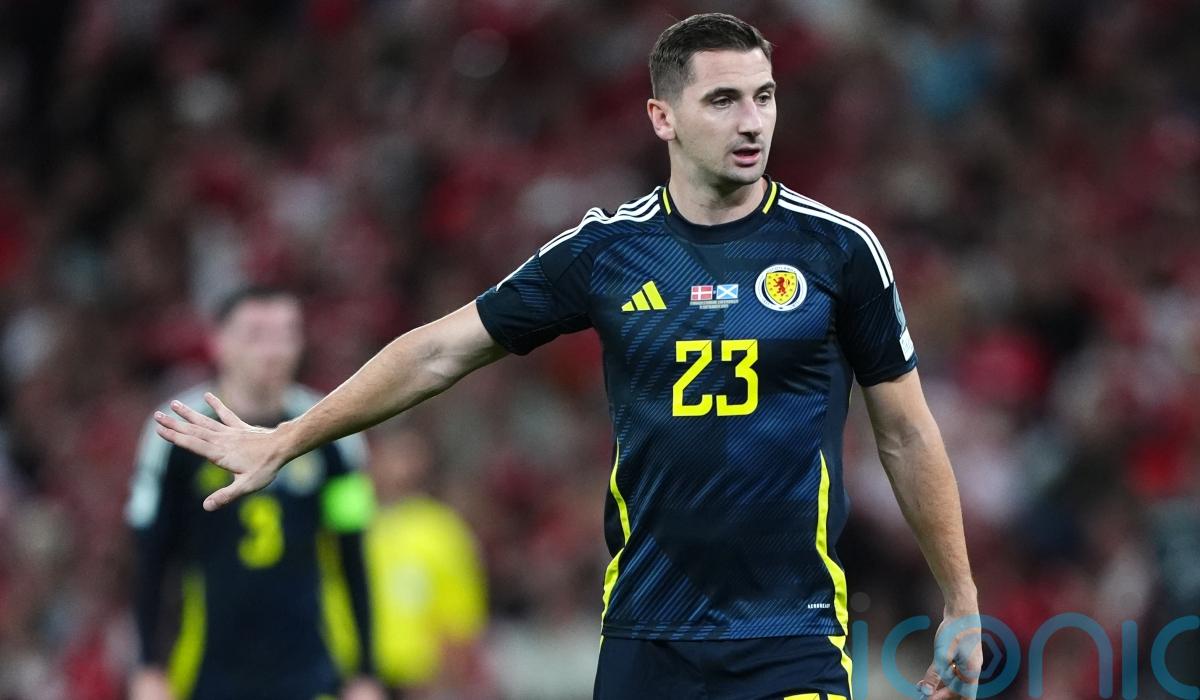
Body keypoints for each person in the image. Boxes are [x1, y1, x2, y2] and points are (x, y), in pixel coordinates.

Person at [153, 13, 983, 700]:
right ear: (662, 117)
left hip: (789, 632)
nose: (752, 121)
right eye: (723, 99)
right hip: (646, 634)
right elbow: (440, 351)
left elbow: (906, 432)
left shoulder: (838, 251)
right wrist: (290, 437)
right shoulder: (606, 253)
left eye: (764, 97)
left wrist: (961, 597)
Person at [126, 287, 383, 700]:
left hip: (312, 669)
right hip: (206, 670)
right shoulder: (177, 433)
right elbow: (150, 559)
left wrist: (366, 672)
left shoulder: (335, 434)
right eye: (256, 335)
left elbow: (352, 551)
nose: (273, 351)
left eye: (286, 334)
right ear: (218, 342)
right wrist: (148, 666)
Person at [365, 427, 489, 697]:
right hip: (353, 678)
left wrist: (450, 680)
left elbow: (458, 618)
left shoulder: (441, 530)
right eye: (393, 453)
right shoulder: (350, 525)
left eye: (409, 455)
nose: (400, 465)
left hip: (417, 680)